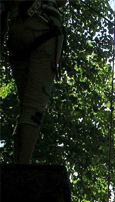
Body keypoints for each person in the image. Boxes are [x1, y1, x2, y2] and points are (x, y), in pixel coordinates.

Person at [1, 0, 67, 164]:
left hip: (17, 30)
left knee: (25, 107)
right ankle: (21, 169)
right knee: (33, 108)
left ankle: (18, 166)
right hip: (44, 28)